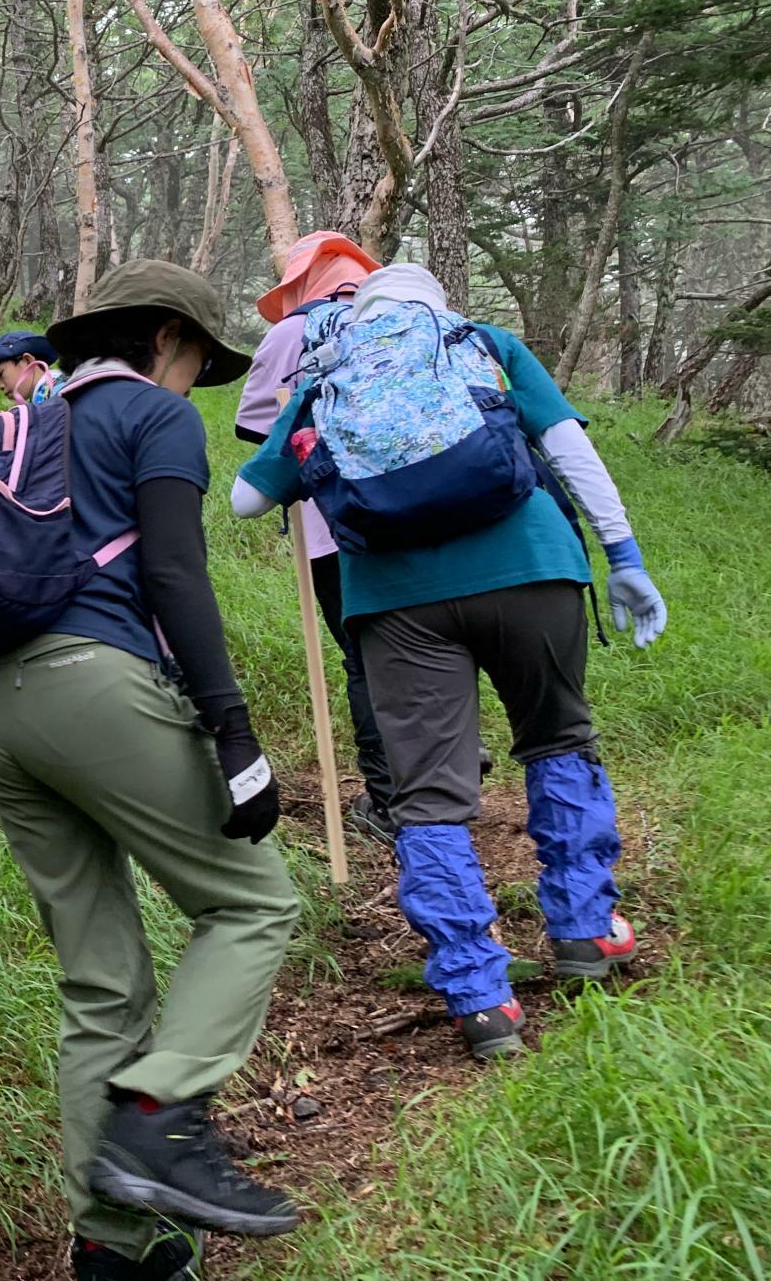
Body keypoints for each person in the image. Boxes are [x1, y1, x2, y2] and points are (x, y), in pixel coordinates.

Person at [232, 262, 667, 1061]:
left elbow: (247, 498)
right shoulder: (485, 344)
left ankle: (480, 996)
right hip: (532, 570)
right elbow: (570, 452)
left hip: (393, 603)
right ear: (438, 307)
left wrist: (311, 461)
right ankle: (582, 931)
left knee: (428, 798)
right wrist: (624, 555)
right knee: (558, 737)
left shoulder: (328, 368)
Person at [0, 259, 303, 1280]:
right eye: (197, 355)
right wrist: (232, 731)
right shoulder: (151, 418)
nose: (194, 376)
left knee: (99, 985)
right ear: (163, 333)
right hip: (99, 685)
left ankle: (117, 1248)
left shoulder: (12, 426)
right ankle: (157, 1116)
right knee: (251, 905)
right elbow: (169, 570)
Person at [233, 231, 398, 844]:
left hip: (338, 525)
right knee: (426, 642)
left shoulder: (292, 333)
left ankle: (389, 800)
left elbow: (256, 429)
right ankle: (454, 758)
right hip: (437, 517)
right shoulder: (418, 322)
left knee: (364, 652)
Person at [0, 329, 63, 405]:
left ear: (27, 360)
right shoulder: (44, 396)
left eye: (1, 374)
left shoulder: (56, 396)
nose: (0, 386)